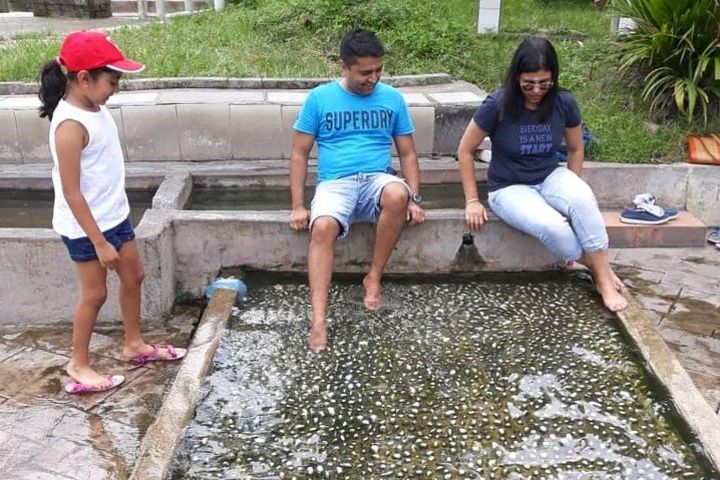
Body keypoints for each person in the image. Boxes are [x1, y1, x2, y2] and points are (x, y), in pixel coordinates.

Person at [39, 31, 186, 394]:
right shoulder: (70, 126)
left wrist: (112, 228)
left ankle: (133, 343)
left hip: (113, 215)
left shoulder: (94, 107)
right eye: (113, 80)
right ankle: (78, 363)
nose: (116, 87)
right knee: (95, 295)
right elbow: (72, 192)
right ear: (84, 78)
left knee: (134, 275)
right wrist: (99, 242)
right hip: (85, 227)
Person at [457, 37, 627, 312]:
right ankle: (600, 270)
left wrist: (572, 187)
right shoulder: (497, 104)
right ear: (516, 78)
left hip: (550, 176)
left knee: (583, 199)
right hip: (508, 187)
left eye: (544, 83)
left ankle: (603, 281)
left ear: (553, 78)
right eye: (529, 83)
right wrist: (472, 200)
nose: (536, 90)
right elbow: (465, 150)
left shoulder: (563, 101)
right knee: (554, 227)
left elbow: (575, 149)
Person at [289, 29, 426, 352]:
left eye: (379, 70)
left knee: (397, 194)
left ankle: (373, 276)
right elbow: (299, 154)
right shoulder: (319, 99)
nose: (373, 78)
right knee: (322, 226)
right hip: (336, 183)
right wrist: (297, 205)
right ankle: (319, 320)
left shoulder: (392, 98)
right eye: (365, 72)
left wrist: (414, 198)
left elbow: (407, 153)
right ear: (344, 67)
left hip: (377, 179)